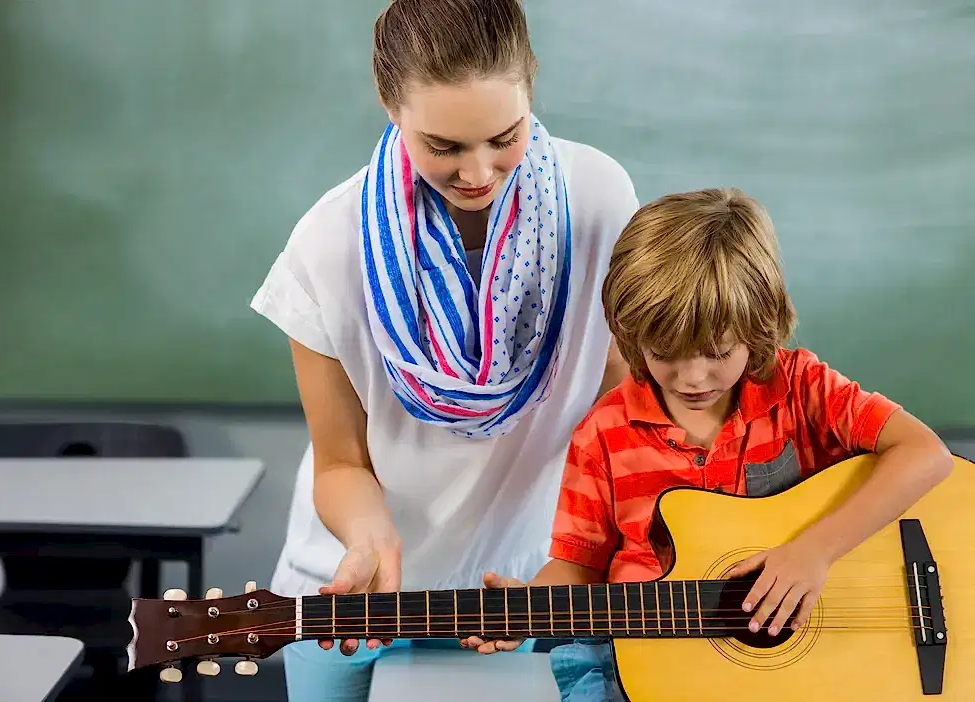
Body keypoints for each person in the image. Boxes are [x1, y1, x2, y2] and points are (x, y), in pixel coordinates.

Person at [246, 0, 639, 698]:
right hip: (363, 596)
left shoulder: (600, 201)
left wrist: (578, 564)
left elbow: (614, 417)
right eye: (444, 147)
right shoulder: (328, 244)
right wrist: (370, 538)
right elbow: (340, 462)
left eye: (504, 136)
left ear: (532, 83)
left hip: (527, 588)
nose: (479, 172)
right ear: (387, 102)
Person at [466, 187, 954, 700]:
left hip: (801, 663)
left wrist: (815, 551)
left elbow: (925, 454)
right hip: (644, 656)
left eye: (718, 352)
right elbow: (579, 564)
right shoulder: (603, 434)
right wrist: (527, 610)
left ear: (757, 326)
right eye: (665, 353)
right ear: (632, 337)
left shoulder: (801, 388)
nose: (693, 377)